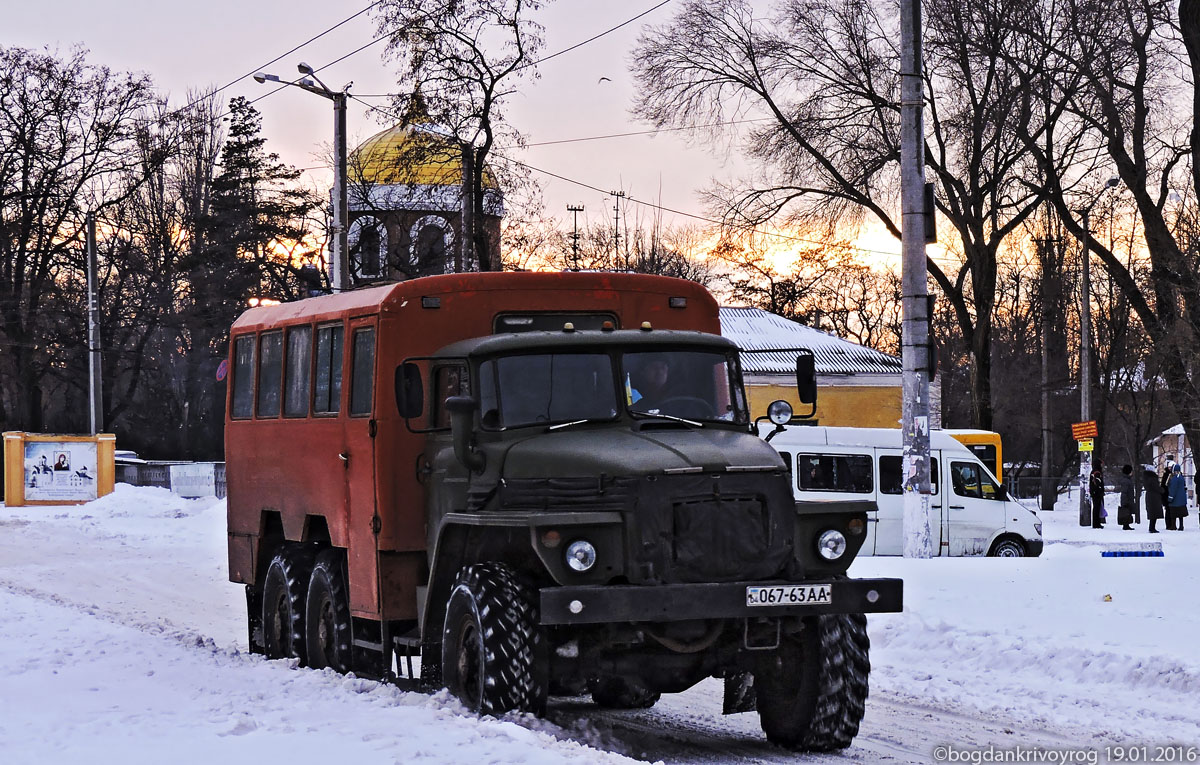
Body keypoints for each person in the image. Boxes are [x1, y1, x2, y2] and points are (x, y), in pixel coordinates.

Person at [1166, 464, 1188, 532]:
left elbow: (1173, 489)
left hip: (1175, 500)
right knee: (1181, 514)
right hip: (1182, 499)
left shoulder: (1174, 479)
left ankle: (1173, 525)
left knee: (1173, 513)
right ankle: (1181, 526)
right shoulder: (1181, 477)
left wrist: (1170, 498)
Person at [1142, 464, 1164, 533]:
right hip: (1154, 497)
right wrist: (1162, 490)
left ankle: (1152, 527)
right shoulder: (1152, 478)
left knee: (1152, 513)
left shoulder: (1146, 478)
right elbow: (1156, 487)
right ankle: (1152, 528)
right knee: (1154, 512)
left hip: (1150, 496)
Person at [1116, 464, 1136, 530]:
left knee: (1128, 512)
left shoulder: (1126, 480)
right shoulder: (1126, 481)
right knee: (1126, 512)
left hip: (1128, 498)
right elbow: (1124, 492)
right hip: (1127, 499)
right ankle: (1126, 525)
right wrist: (1125, 501)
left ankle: (1126, 525)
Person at [1090, 459, 1106, 528]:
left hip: (1094, 492)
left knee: (1096, 508)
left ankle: (1096, 523)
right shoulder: (1097, 472)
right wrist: (1100, 490)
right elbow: (1098, 483)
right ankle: (1096, 524)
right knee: (1097, 508)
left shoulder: (1093, 471)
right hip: (1097, 493)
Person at [1162, 459, 1177, 530]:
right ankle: (1169, 525)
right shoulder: (1167, 475)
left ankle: (1171, 524)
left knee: (1171, 510)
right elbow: (1164, 486)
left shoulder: (1174, 475)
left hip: (1170, 495)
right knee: (1168, 511)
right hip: (1167, 495)